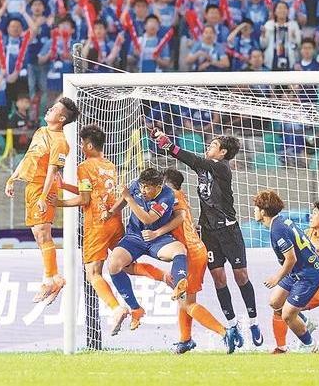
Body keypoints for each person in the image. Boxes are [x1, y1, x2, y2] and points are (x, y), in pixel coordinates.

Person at [151, 127, 259, 346]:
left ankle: (253, 321)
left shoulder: (222, 168)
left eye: (213, 145)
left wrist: (170, 145)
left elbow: (195, 159)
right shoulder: (203, 168)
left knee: (241, 277)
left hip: (229, 230)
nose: (208, 147)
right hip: (209, 232)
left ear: (223, 152)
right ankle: (232, 325)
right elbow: (189, 160)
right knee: (219, 278)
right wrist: (166, 145)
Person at [53, 125, 166, 334]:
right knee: (127, 266)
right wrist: (65, 186)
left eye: (82, 144)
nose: (81, 147)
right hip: (114, 222)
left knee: (93, 273)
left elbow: (85, 199)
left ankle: (116, 309)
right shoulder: (110, 165)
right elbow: (94, 191)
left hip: (97, 224)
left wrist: (58, 203)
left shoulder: (84, 167)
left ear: (88, 145)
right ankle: (163, 279)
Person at [151, 168, 240, 354]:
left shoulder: (170, 197)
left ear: (165, 183)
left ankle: (225, 332)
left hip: (189, 254)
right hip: (195, 250)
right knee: (184, 299)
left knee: (188, 303)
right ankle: (185, 339)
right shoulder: (180, 196)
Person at [4, 97, 79, 305]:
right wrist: (12, 178)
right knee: (38, 235)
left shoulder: (60, 142)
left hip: (44, 189)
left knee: (43, 233)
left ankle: (49, 280)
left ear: (61, 118)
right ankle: (55, 278)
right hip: (31, 187)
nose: (49, 109)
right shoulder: (40, 132)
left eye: (54, 109)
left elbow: (52, 171)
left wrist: (44, 198)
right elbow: (27, 158)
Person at [104, 168, 189, 332]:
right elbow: (124, 199)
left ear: (158, 187)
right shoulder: (137, 185)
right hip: (134, 237)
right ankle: (136, 309)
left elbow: (148, 219)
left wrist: (129, 198)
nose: (143, 190)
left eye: (148, 187)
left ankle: (180, 283)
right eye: (142, 186)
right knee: (113, 264)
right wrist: (111, 212)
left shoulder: (167, 196)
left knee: (179, 249)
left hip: (157, 238)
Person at [273, 199, 319, 354]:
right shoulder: (307, 233)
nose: (311, 216)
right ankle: (282, 347)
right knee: (279, 304)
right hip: (313, 285)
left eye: (314, 213)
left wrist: (312, 252)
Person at [256, 190, 319, 353]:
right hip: (297, 271)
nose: (254, 211)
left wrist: (277, 278)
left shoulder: (277, 229)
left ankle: (310, 345)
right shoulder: (280, 221)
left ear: (263, 212)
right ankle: (305, 322)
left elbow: (291, 259)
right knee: (275, 302)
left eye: (256, 208)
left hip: (307, 274)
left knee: (287, 315)